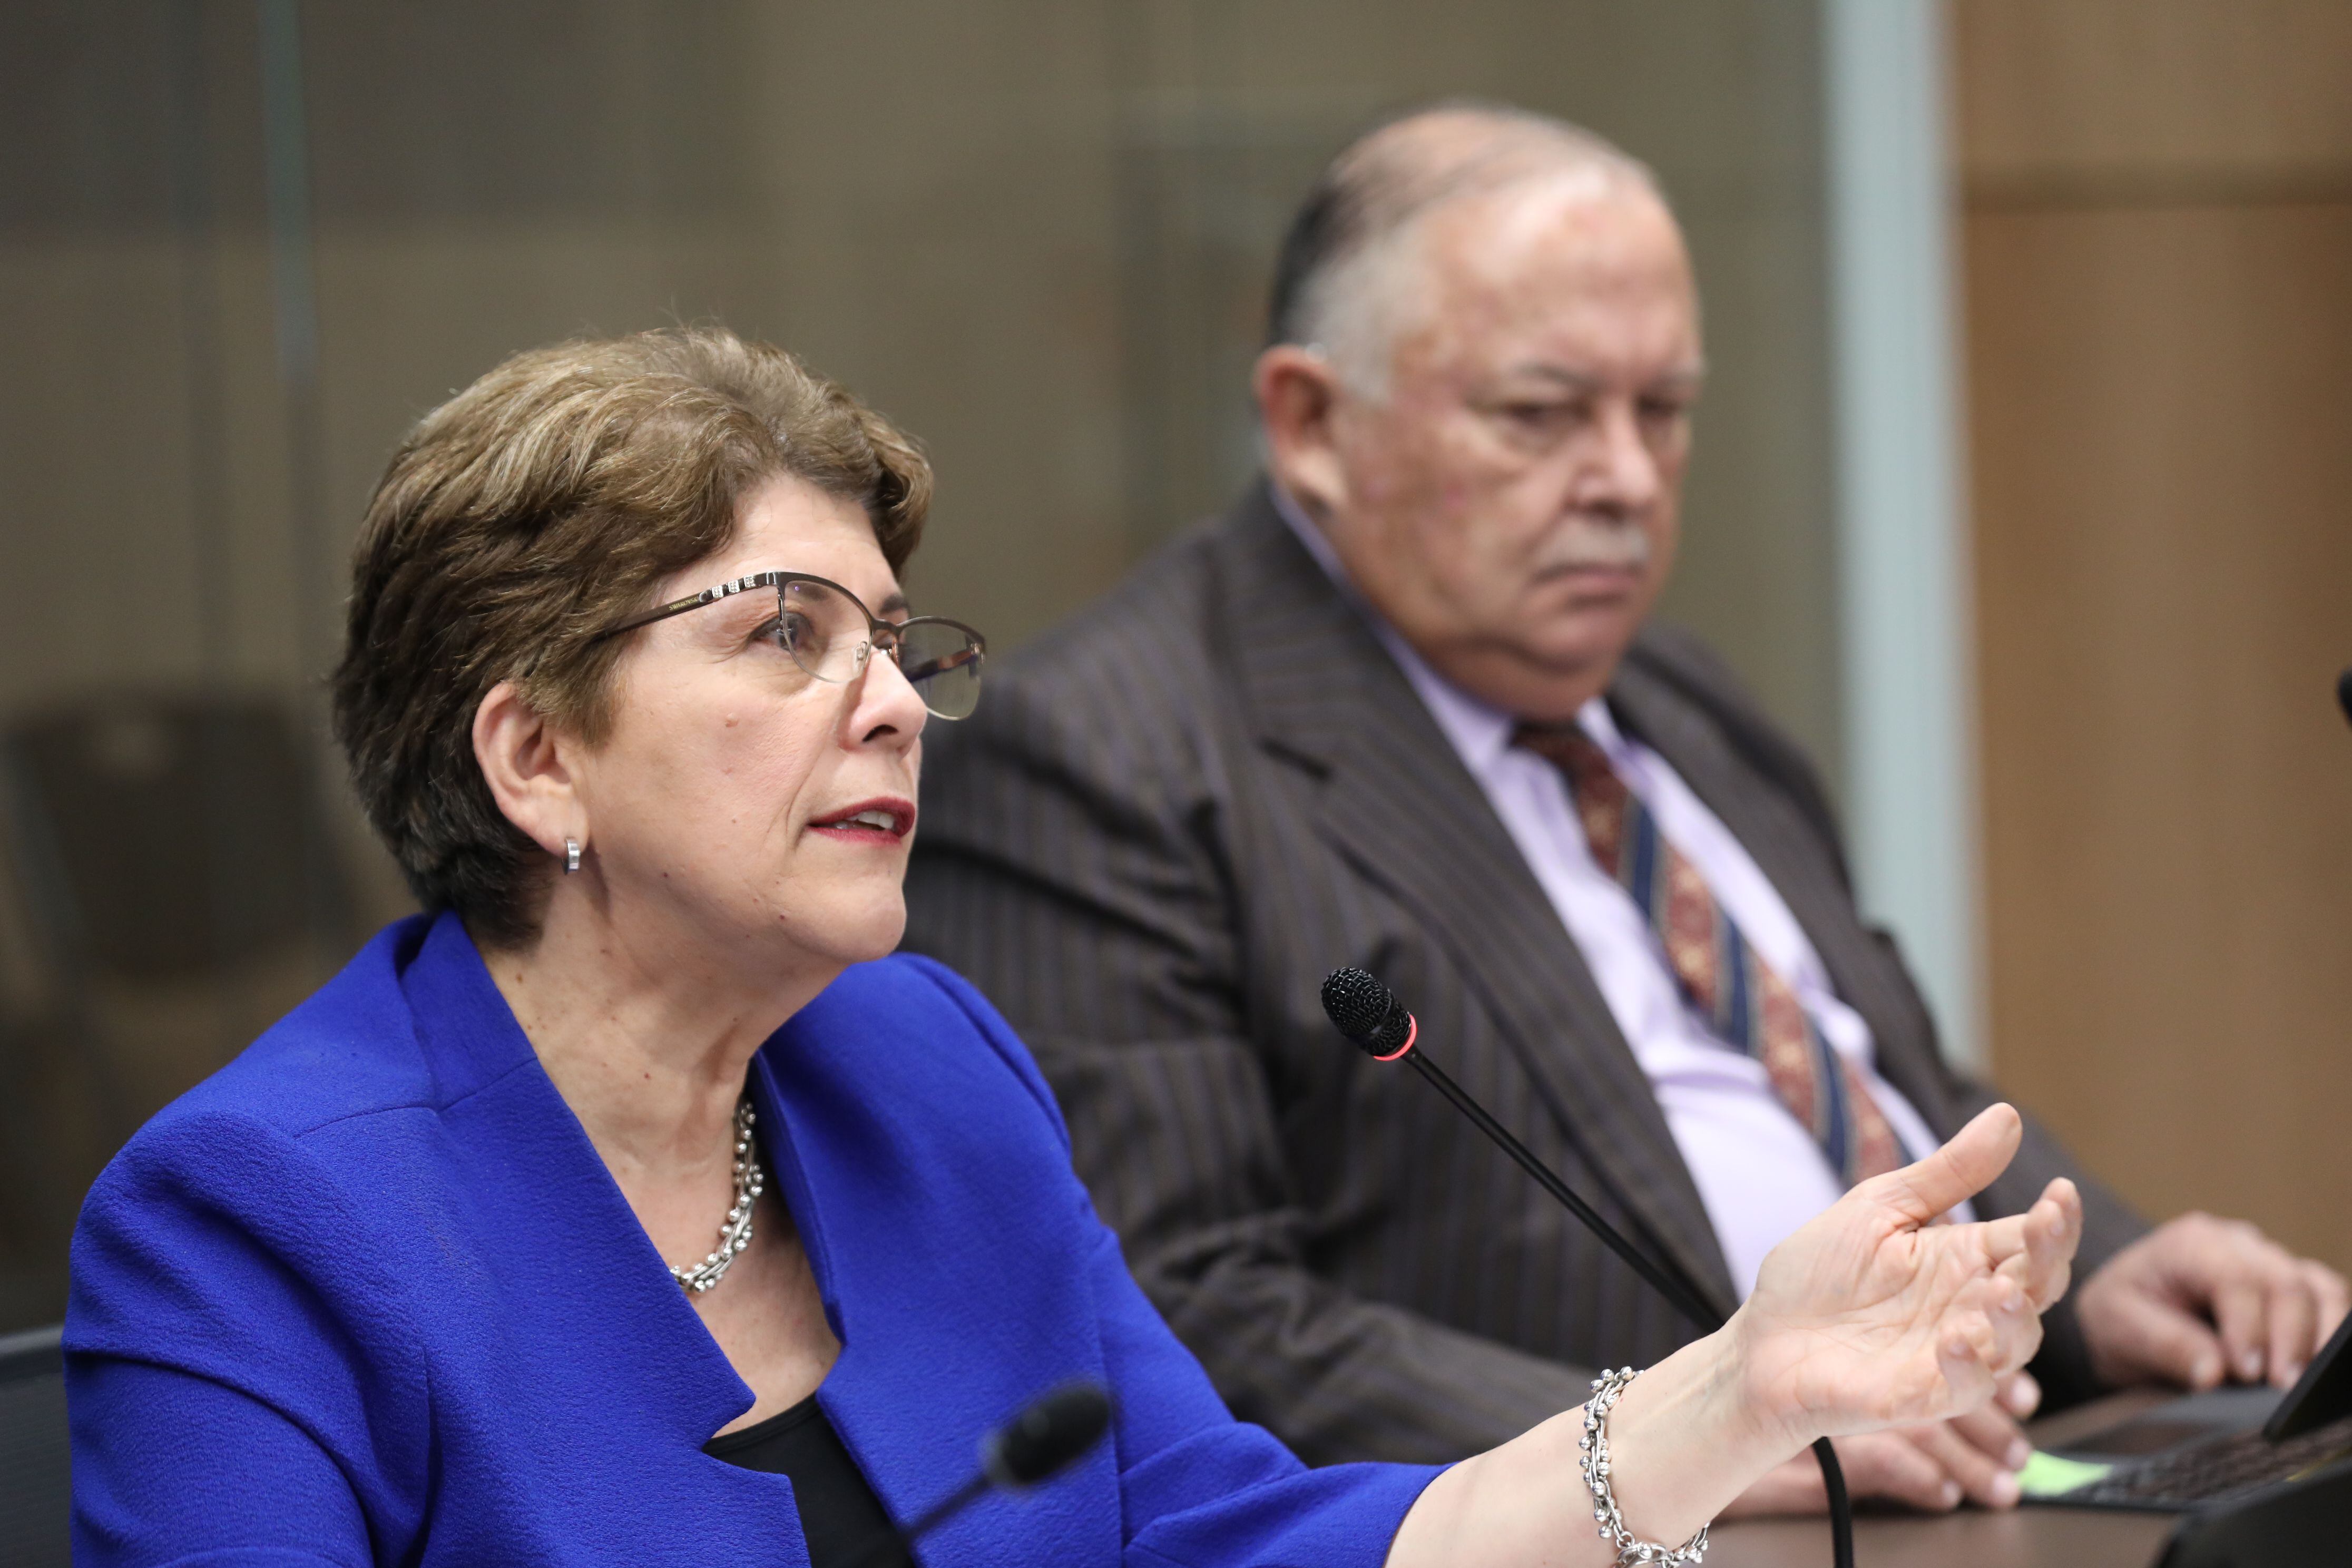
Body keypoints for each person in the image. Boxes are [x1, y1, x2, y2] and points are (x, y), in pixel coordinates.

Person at [64, 325, 2082, 1566]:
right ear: (535, 757)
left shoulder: (918, 1062)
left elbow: (1226, 1533)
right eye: (785, 635)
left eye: (894, 644)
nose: (888, 704)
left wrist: (1747, 1386)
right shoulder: (257, 1224)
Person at [901, 103, 2350, 1516]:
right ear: (1312, 423)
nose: (1627, 480)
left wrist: (2098, 1280)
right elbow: (1184, 1309)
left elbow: (1869, 1071)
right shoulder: (1101, 755)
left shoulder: (1677, 697)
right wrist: (1698, 1433)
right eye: (1541, 415)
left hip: (1985, 1482)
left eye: (1664, 411)